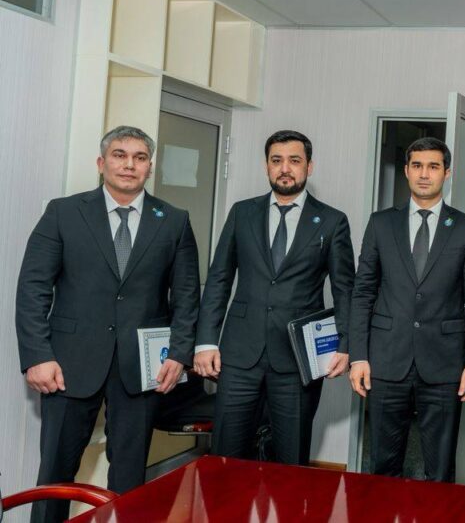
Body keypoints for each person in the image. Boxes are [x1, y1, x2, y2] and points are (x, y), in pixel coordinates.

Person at [16, 126, 201, 523]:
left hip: (141, 369)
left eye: (138, 157)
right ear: (102, 163)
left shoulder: (173, 220)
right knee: (55, 473)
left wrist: (181, 355)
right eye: (119, 155)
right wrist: (37, 355)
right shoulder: (63, 212)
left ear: (150, 167)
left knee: (130, 477)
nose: (128, 164)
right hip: (67, 364)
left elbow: (187, 298)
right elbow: (33, 287)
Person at [195, 129, 354, 465]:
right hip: (238, 356)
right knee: (226, 457)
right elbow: (220, 279)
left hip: (297, 360)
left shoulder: (331, 221)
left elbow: (345, 290)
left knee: (291, 459)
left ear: (309, 167)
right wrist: (206, 342)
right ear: (267, 166)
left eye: (294, 161)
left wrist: (345, 343)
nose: (285, 168)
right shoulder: (242, 213)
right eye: (276, 160)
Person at [348, 137, 465, 482]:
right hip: (385, 359)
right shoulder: (381, 223)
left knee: (440, 471)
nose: (424, 174)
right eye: (416, 166)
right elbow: (363, 291)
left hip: (444, 364)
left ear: (447, 172)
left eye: (433, 166)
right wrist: (358, 356)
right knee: (382, 465)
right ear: (407, 171)